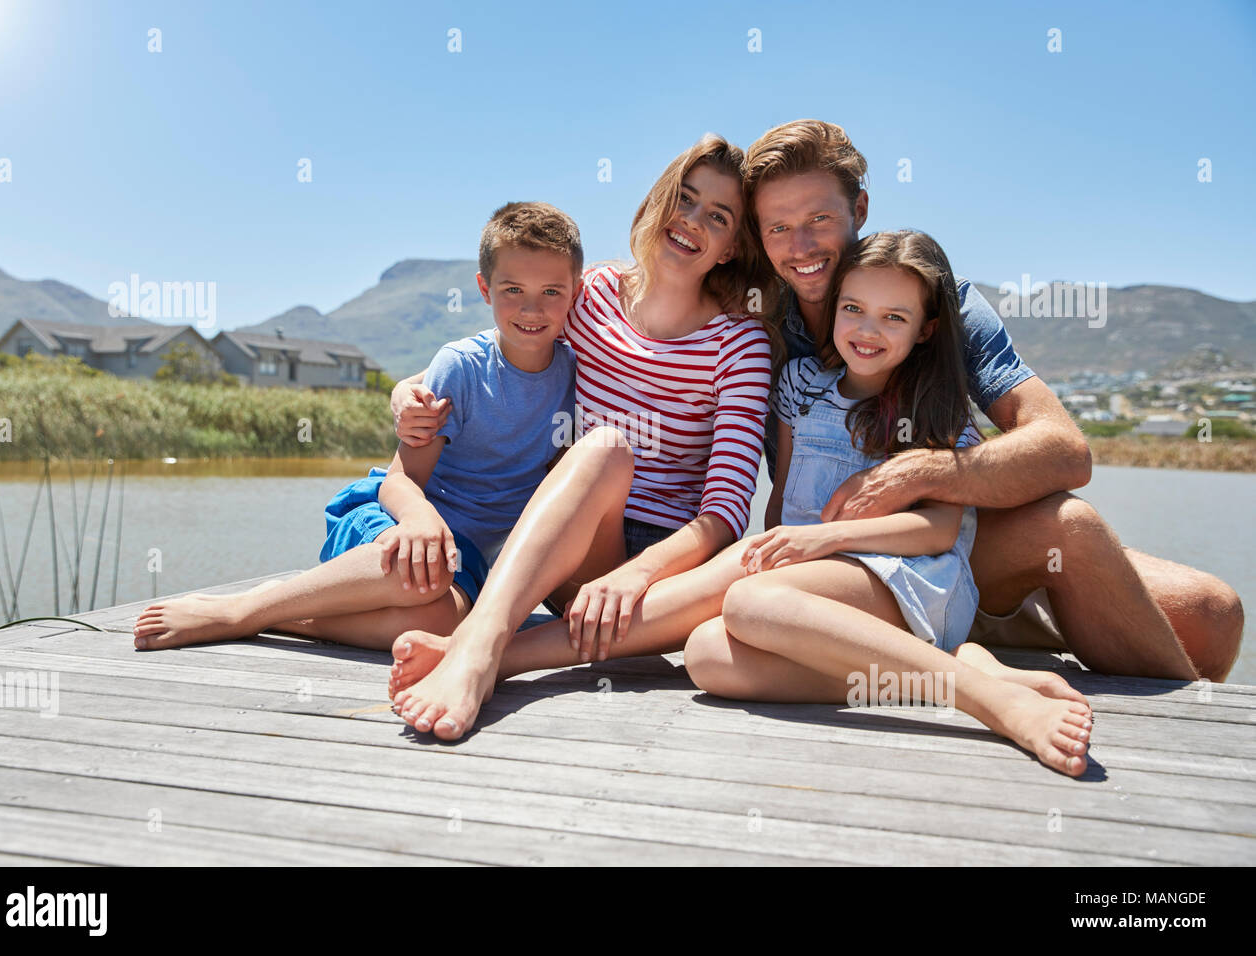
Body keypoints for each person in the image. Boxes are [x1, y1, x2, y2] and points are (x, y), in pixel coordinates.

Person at [738, 120, 1241, 682]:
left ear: (859, 211)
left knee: (1212, 614)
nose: (801, 246)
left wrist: (921, 472)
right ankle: (974, 656)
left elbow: (1065, 450)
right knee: (1070, 531)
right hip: (830, 560)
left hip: (947, 545)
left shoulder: (939, 300)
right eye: (778, 227)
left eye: (820, 219)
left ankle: (1190, 748)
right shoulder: (751, 315)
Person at [387, 133, 778, 739]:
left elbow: (726, 510)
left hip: (660, 574)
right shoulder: (593, 295)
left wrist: (638, 572)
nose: (693, 220)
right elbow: (514, 338)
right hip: (571, 538)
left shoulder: (739, 345)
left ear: (731, 247)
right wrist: (408, 387)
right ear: (658, 202)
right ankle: (485, 639)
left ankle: (480, 652)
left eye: (718, 216)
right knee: (603, 448)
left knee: (745, 575)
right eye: (686, 197)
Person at [686, 230, 1092, 777]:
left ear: (925, 330)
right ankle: (951, 672)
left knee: (748, 603)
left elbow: (937, 532)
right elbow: (782, 499)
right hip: (834, 586)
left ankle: (990, 702)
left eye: (894, 318)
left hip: (912, 581)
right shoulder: (804, 387)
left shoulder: (936, 415)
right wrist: (794, 547)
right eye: (853, 308)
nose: (868, 330)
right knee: (709, 656)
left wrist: (830, 537)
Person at [131, 201, 581, 652]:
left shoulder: (578, 373)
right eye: (513, 290)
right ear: (484, 289)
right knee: (425, 576)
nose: (531, 309)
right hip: (394, 520)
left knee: (441, 623)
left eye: (551, 292)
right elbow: (400, 480)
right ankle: (239, 610)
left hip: (465, 562)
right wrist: (419, 517)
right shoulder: (460, 367)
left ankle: (288, 620)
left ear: (575, 291)